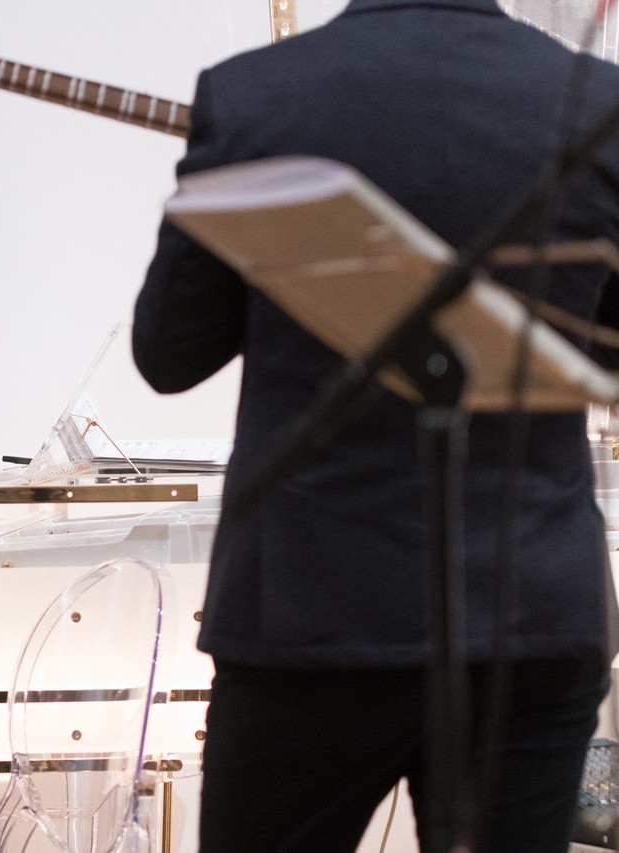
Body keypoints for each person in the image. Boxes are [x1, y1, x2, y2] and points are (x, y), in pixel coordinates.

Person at [133, 1, 619, 851]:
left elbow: (170, 354)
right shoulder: (597, 103)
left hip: (308, 610)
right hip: (529, 606)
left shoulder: (255, 95)